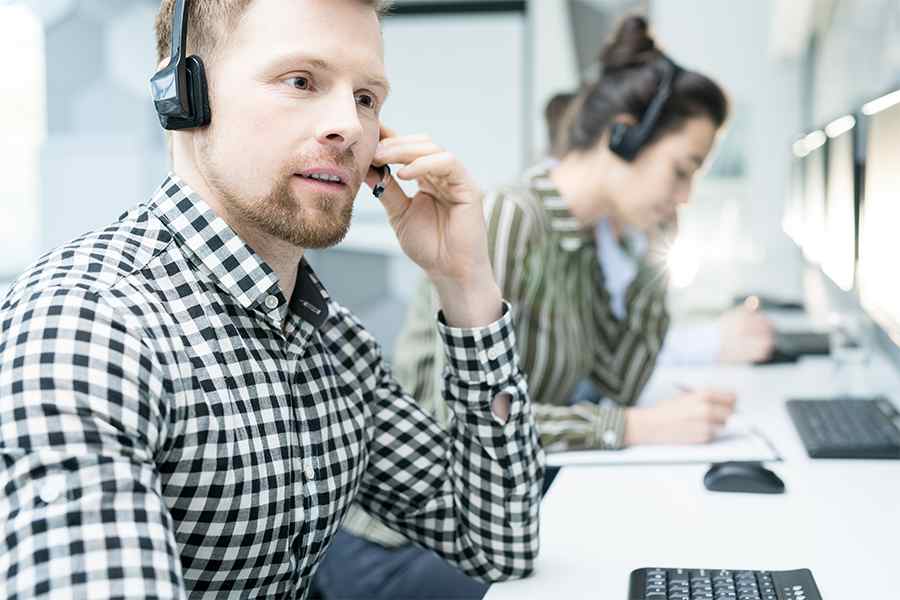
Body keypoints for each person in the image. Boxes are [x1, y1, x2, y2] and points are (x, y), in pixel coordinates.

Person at [0, 1, 544, 598]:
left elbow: (498, 540)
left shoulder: (333, 343)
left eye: (366, 98)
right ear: (181, 92)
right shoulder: (91, 325)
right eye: (301, 81)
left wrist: (464, 282)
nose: (351, 127)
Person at [321, 16, 748, 598]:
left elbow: (620, 381)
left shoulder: (593, 241)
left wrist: (653, 255)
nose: (685, 196)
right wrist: (633, 428)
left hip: (498, 513)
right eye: (681, 171)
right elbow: (448, 424)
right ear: (622, 135)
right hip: (402, 545)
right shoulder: (511, 219)